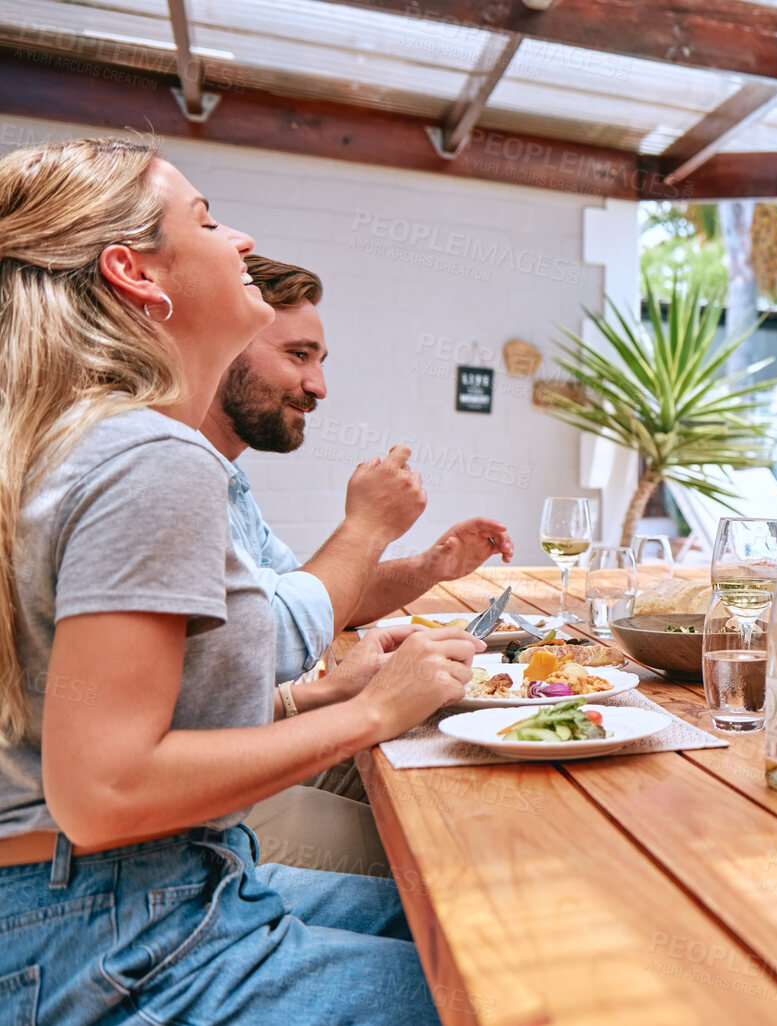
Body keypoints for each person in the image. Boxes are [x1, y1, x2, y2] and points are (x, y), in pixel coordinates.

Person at [0, 137, 473, 1024]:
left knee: (487, 924)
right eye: (209, 221)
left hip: (113, 895)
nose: (242, 238)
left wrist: (315, 698)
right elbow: (104, 793)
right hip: (116, 929)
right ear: (136, 275)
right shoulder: (150, 456)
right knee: (527, 990)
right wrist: (376, 713)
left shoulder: (64, 438)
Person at [203, 254, 515, 687]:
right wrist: (368, 525)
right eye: (298, 354)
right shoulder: (179, 475)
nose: (319, 387)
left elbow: (314, 599)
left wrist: (426, 567)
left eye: (320, 361)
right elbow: (274, 645)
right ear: (223, 342)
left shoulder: (228, 482)